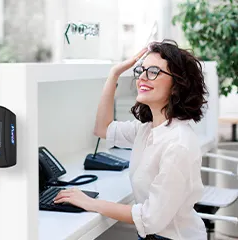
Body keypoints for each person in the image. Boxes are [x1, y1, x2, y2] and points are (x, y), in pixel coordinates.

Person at [53, 39, 208, 240]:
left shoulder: (178, 144)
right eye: (141, 71)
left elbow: (150, 218)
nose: (143, 77)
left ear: (177, 86)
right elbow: (103, 128)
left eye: (153, 72)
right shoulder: (147, 128)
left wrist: (90, 203)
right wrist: (114, 74)